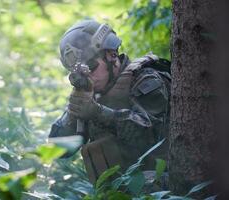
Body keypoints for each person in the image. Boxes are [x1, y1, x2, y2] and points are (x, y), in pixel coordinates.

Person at [49, 19, 171, 183]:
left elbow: (150, 135)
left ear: (111, 54)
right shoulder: (90, 92)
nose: (88, 76)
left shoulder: (146, 80)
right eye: (80, 73)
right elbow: (58, 150)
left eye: (91, 67)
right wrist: (72, 113)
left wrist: (97, 112)